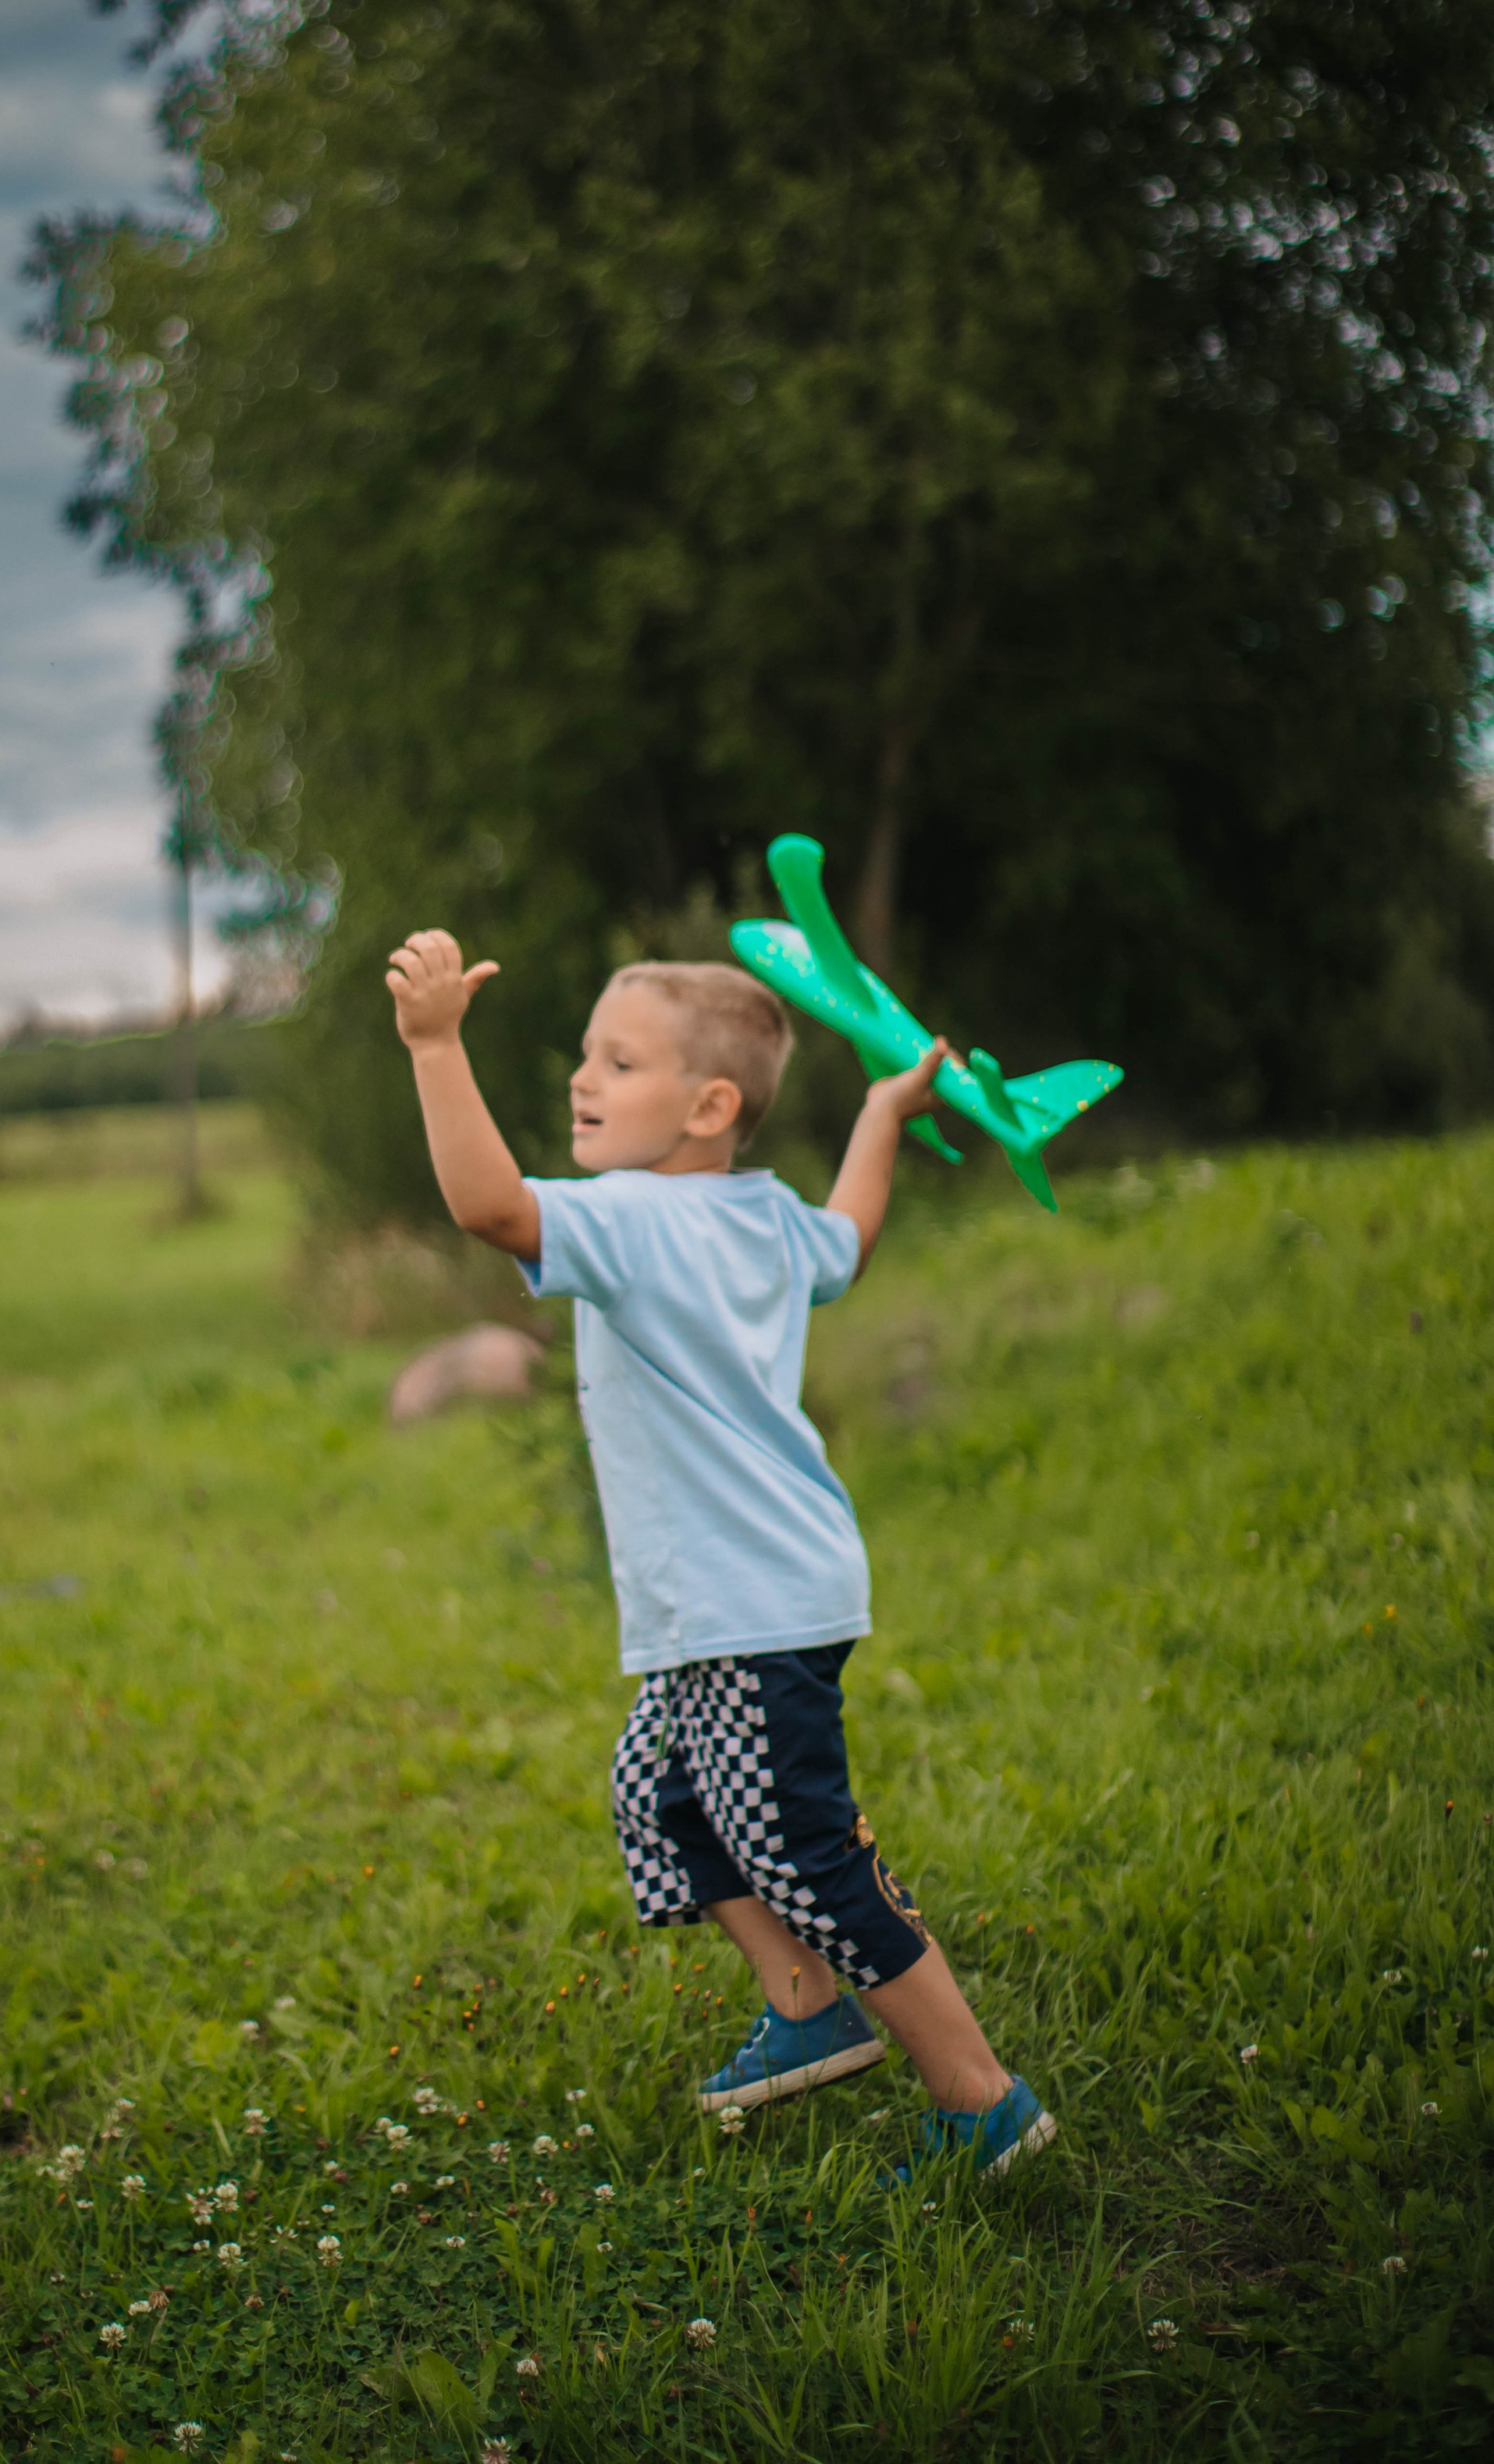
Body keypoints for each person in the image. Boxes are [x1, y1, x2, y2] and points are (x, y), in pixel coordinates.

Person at [385, 928, 1055, 2180]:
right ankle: (808, 2009)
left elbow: (486, 1205)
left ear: (709, 1106)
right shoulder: (759, 1217)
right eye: (587, 1054)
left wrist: (435, 1047)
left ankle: (981, 2098)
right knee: (665, 1794)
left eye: (618, 1061)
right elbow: (848, 1242)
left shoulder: (630, 1221)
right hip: (759, 1593)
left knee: (804, 1852)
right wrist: (882, 1114)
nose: (584, 1079)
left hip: (745, 1603)